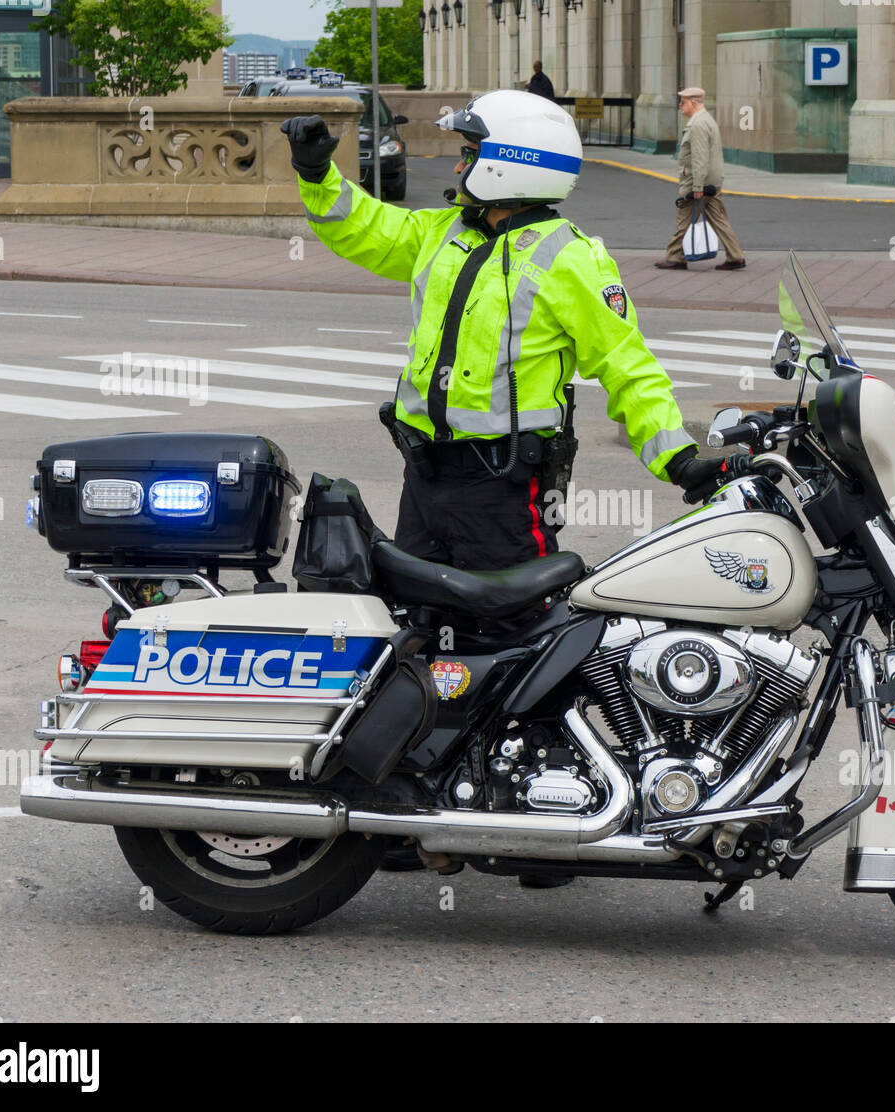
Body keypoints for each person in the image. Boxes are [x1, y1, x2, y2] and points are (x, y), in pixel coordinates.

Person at [281, 91, 723, 886]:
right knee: (418, 636)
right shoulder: (442, 234)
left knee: (524, 644)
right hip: (428, 474)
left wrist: (681, 459)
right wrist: (318, 172)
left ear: (509, 162)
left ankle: (543, 825)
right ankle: (408, 802)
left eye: (469, 152)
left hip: (506, 485)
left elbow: (630, 370)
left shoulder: (571, 258)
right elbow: (364, 226)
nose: (456, 165)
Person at [655, 87, 746, 272]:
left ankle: (675, 257)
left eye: (683, 102)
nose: (680, 106)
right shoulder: (706, 120)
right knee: (718, 219)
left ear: (694, 103)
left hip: (698, 184)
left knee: (684, 220)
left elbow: (700, 157)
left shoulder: (697, 125)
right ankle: (735, 256)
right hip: (711, 182)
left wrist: (697, 186)